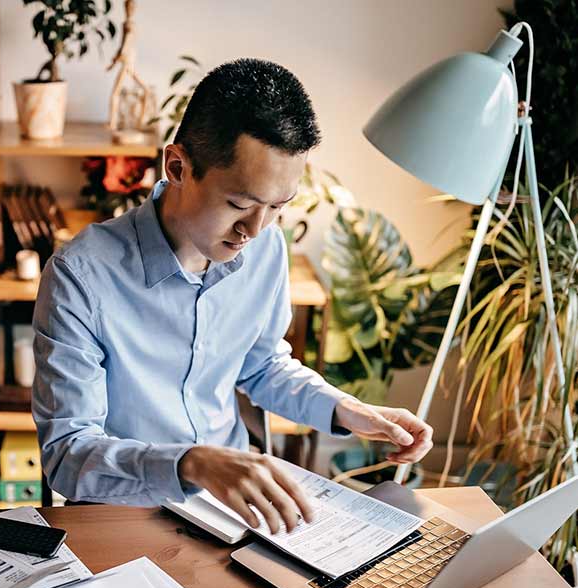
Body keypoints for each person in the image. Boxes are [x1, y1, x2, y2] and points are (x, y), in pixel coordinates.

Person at [32, 58, 433, 534]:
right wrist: (192, 464)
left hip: (235, 514)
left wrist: (346, 410)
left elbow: (261, 365)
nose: (254, 229)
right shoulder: (80, 276)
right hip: (121, 518)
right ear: (177, 166)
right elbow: (67, 455)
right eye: (239, 204)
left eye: (277, 208)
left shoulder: (266, 248)